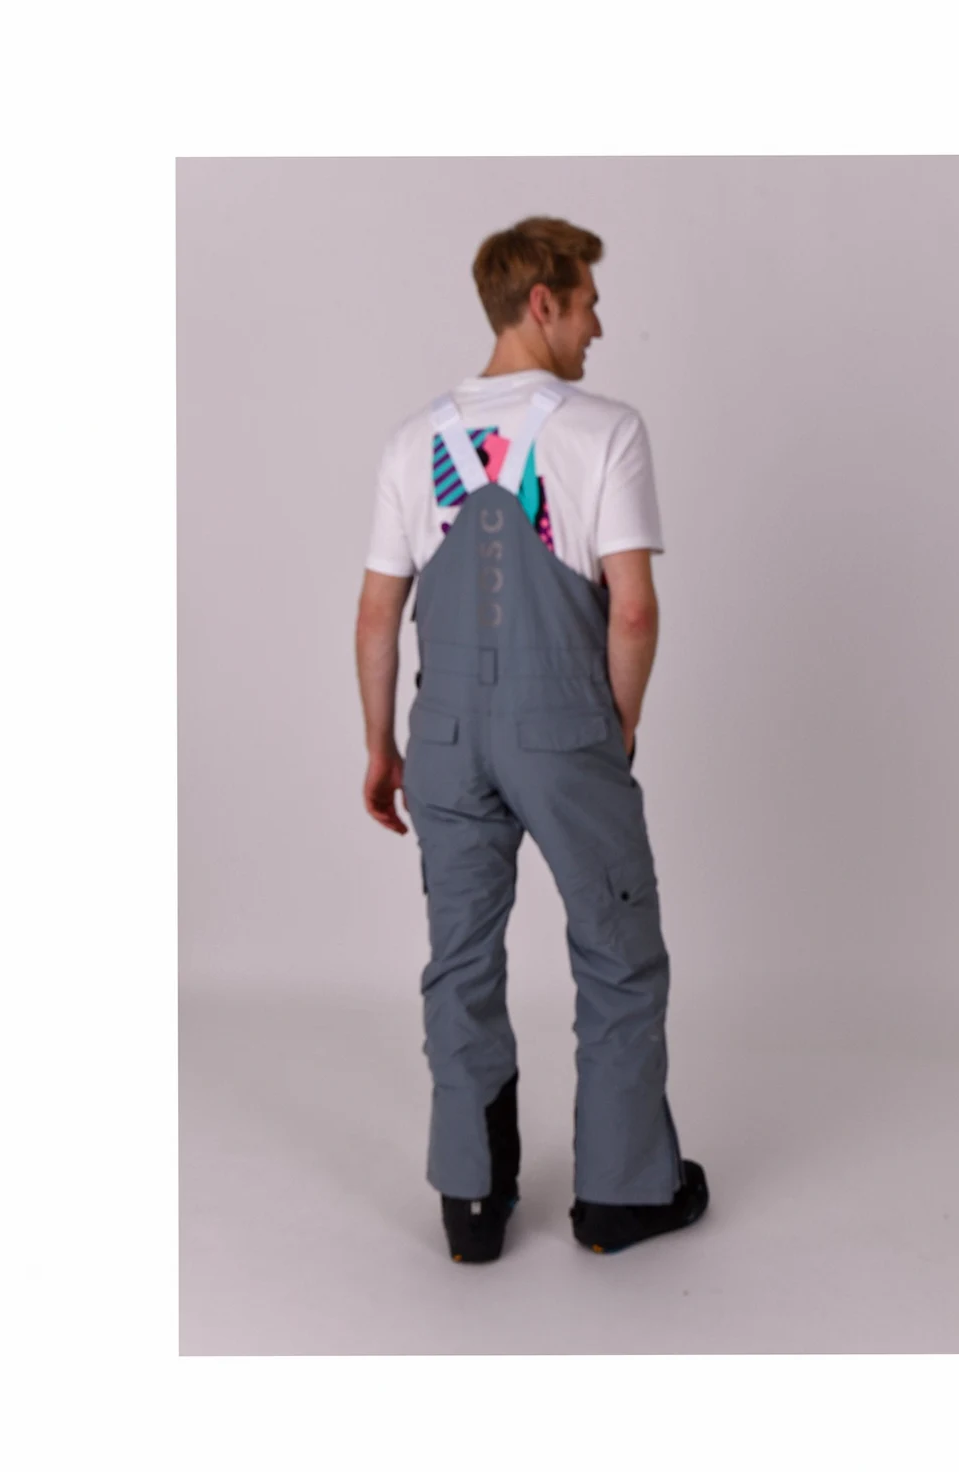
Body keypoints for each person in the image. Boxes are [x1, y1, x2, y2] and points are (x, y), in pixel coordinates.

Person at [355, 216, 709, 1263]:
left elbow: (377, 615)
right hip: (565, 727)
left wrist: (381, 747)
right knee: (616, 951)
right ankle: (620, 1197)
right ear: (543, 302)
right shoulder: (607, 431)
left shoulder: (410, 443)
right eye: (589, 302)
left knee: (460, 960)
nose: (600, 325)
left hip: (444, 735)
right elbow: (632, 610)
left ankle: (471, 1203)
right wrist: (617, 720)